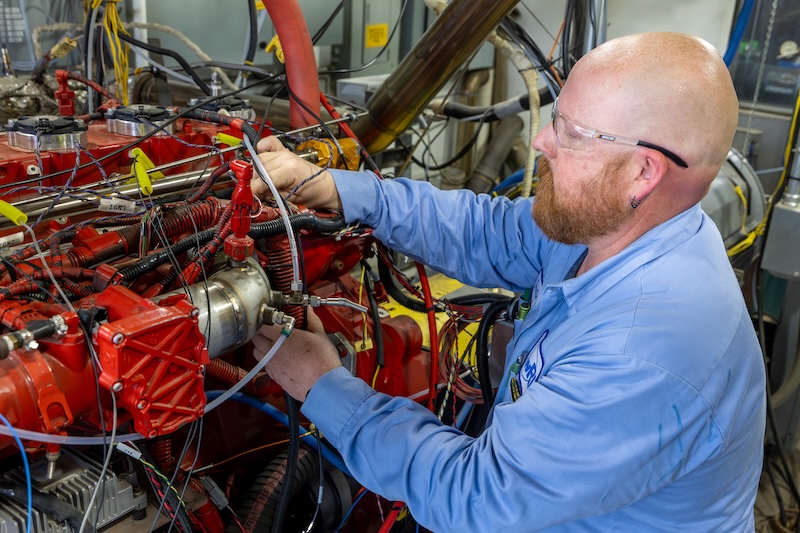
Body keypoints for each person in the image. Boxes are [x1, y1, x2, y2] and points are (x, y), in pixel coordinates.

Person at [250, 32, 766, 531]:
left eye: (570, 131)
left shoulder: (642, 351)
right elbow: (487, 231)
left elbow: (473, 497)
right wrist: (339, 190)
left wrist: (322, 384)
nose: (542, 139)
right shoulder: (611, 228)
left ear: (643, 173)